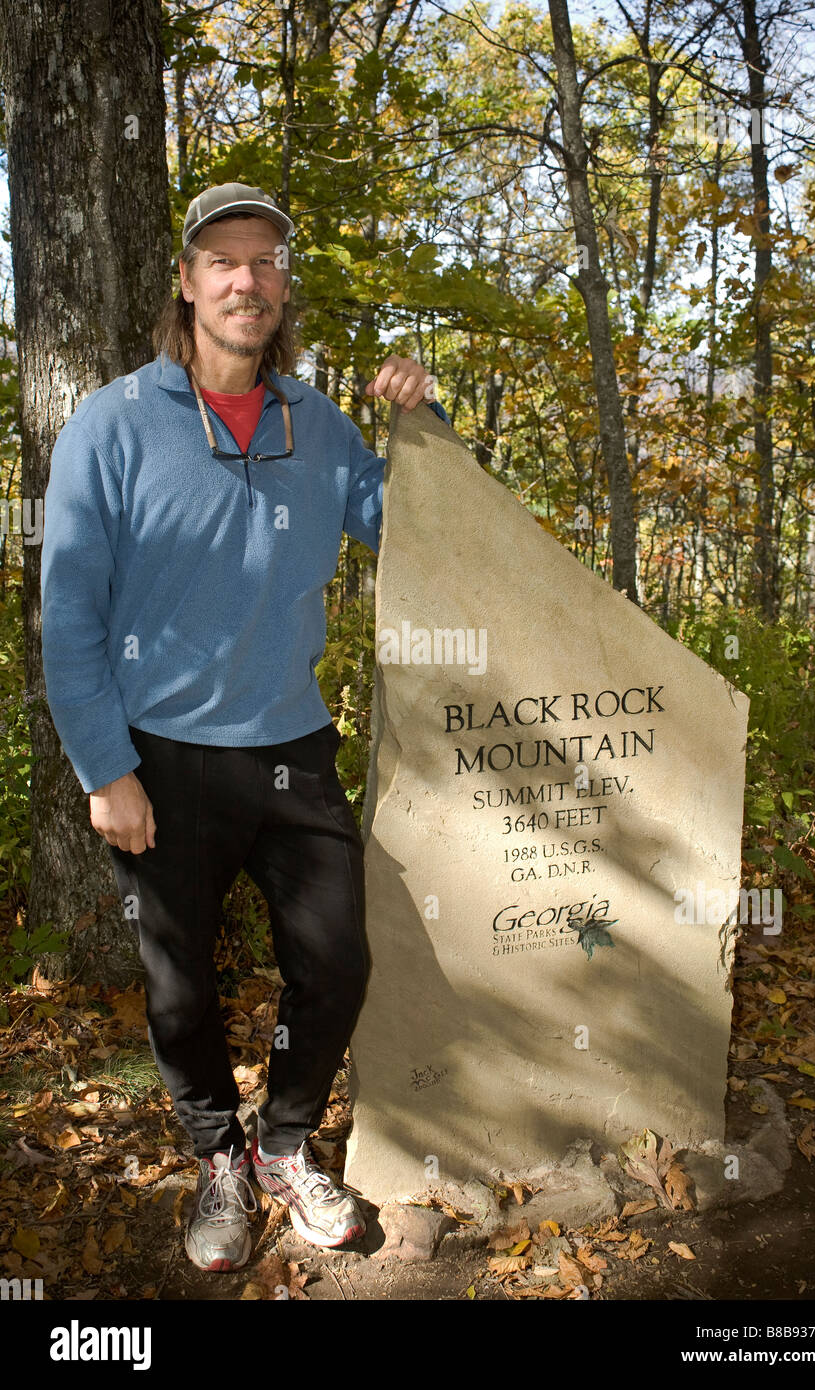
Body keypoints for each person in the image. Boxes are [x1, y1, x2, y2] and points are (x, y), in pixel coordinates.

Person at [40, 182, 448, 1272]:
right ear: (186, 281)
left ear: (282, 288)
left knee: (336, 960)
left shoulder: (319, 426)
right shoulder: (110, 425)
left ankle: (282, 1147)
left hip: (290, 745)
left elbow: (412, 528)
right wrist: (104, 766)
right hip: (160, 758)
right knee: (180, 984)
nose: (245, 280)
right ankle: (216, 1157)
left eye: (265, 262)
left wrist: (421, 424)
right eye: (222, 260)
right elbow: (69, 610)